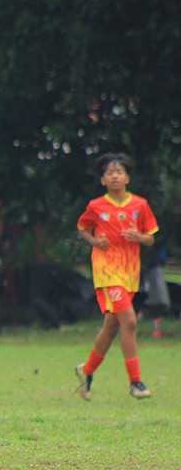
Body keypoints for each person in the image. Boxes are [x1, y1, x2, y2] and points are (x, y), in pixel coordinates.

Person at [74, 153, 158, 401]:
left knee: (111, 327)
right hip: (107, 270)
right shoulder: (96, 206)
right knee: (129, 322)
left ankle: (86, 372)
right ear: (102, 179)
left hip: (129, 273)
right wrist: (94, 241)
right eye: (109, 172)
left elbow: (150, 237)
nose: (115, 176)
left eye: (119, 172)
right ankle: (136, 383)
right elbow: (83, 228)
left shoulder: (140, 205)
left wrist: (139, 237)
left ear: (127, 177)